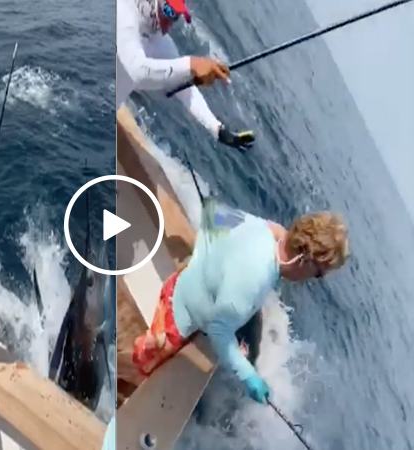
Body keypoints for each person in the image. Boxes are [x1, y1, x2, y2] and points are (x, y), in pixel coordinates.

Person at [133, 199, 350, 403]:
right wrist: (249, 376)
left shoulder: (268, 229)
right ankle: (142, 352)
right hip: (177, 313)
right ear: (305, 260)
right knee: (143, 370)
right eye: (318, 274)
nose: (313, 279)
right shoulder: (256, 279)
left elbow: (213, 214)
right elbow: (218, 333)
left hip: (186, 279)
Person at [116, 0, 255, 152]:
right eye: (170, 13)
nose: (170, 25)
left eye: (176, 17)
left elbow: (185, 87)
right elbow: (136, 71)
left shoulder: (159, 39)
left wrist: (217, 129)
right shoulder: (124, 13)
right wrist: (191, 64)